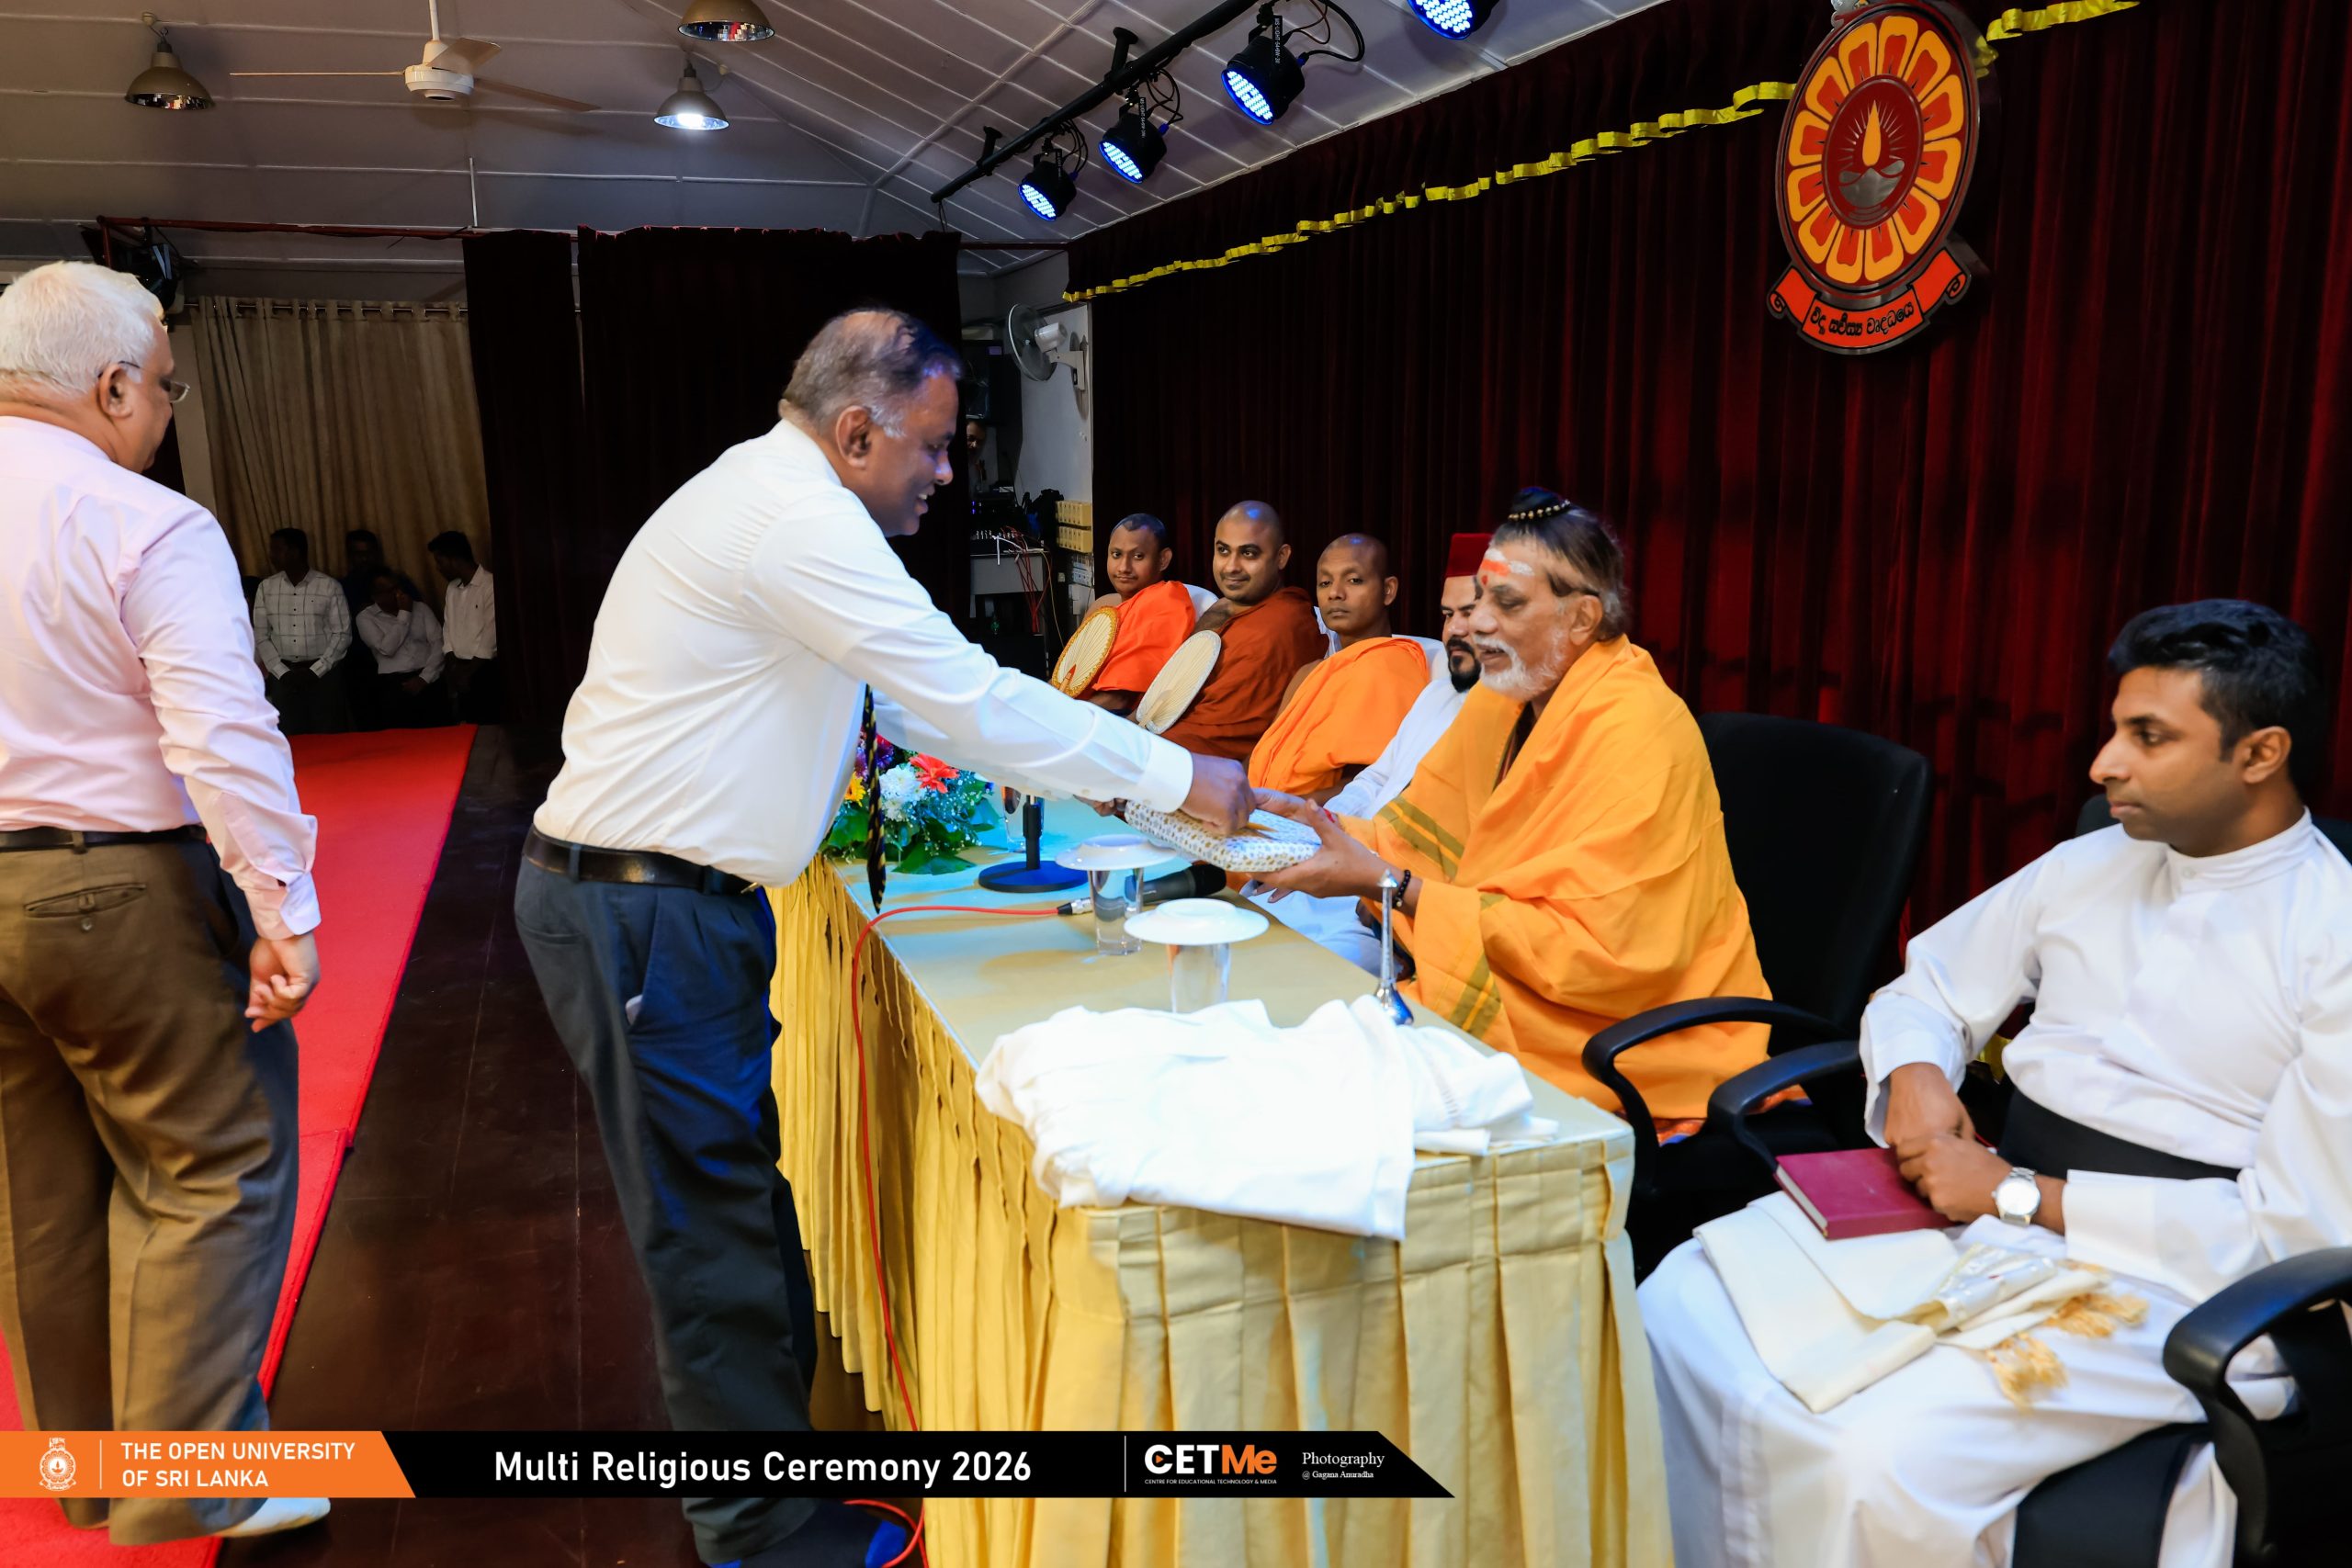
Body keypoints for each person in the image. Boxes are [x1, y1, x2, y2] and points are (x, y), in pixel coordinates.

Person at [514, 309, 1254, 1568]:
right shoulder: (794, 519)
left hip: (665, 909)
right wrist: (1177, 775)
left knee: (735, 1206)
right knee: (707, 1232)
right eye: (933, 443)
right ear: (855, 431)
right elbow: (962, 694)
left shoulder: (784, 500)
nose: (948, 472)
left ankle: (776, 1492)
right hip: (644, 914)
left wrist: (1139, 777)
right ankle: (756, 1533)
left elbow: (923, 707)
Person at [1640, 599, 2352, 1568]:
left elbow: (2300, 1230)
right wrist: (1917, 1077)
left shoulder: (2331, 937)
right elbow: (1927, 987)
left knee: (1866, 1455)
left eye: (2148, 737)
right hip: (1982, 1204)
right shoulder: (2088, 864)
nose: (2103, 765)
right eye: (2114, 728)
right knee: (1675, 1304)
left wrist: (2023, 1196)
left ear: (2260, 753)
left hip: (2175, 1273)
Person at [0, 260, 326, 1542]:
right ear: (112, 385)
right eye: (166, 387)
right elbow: (221, 729)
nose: (164, 412)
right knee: (211, 1160)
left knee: (37, 1189)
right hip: (111, 881)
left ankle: (86, 1467)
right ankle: (191, 1475)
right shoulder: (141, 518)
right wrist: (280, 906)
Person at [1253, 490, 1769, 1120]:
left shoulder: (1638, 729)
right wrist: (1299, 827)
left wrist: (1389, 883)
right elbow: (1417, 840)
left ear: (1581, 617)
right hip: (1513, 988)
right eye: (1478, 601)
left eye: (1507, 603)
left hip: (1622, 1034)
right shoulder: (1502, 702)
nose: (1475, 625)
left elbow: (1596, 954)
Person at [1250, 534, 1487, 969]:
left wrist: (1372, 875)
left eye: (1470, 613)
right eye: (1448, 614)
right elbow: (1374, 780)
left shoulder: (1521, 721)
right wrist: (1318, 829)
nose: (1454, 629)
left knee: (1289, 971)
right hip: (1341, 861)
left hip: (1389, 897)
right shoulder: (1438, 695)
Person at [1247, 534, 1429, 801]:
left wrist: (1285, 807)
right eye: (1325, 582)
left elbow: (1375, 783)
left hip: (1311, 817)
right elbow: (1266, 755)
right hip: (1259, 808)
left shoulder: (1390, 667)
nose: (1335, 593)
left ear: (1388, 590)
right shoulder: (1310, 672)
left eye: (1354, 580)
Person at [1153, 501, 1327, 759]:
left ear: (1281, 557)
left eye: (1249, 553)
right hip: (1161, 732)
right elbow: (1170, 689)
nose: (1231, 566)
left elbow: (1217, 734)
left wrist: (1139, 750)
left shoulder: (1279, 627)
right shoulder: (1226, 605)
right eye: (1223, 550)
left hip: (1201, 764)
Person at [1075, 513, 1210, 714]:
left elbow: (1119, 699)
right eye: (1116, 554)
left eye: (1138, 556)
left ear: (1163, 560)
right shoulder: (1102, 606)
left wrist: (1065, 716)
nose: (1124, 567)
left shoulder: (1165, 603)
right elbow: (1070, 676)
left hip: (1113, 721)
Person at [251, 526, 353, 735]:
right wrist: (281, 672)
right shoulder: (266, 588)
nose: (271, 556)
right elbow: (261, 635)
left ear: (295, 552)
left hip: (324, 676)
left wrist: (316, 671)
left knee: (329, 736)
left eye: (277, 550)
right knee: (291, 738)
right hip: (283, 677)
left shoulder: (328, 586)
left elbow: (342, 634)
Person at [355, 571, 447, 728]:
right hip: (395, 685)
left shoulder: (421, 608)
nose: (399, 593)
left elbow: (438, 643)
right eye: (390, 590)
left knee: (440, 733)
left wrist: (424, 678)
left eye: (398, 587)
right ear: (375, 597)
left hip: (429, 677)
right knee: (403, 736)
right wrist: (405, 613)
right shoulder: (365, 618)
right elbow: (387, 648)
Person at [429, 528, 498, 723]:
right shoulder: (452, 588)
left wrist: (468, 673)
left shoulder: (489, 585)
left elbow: (491, 636)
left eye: (440, 561)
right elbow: (448, 628)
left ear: (454, 559)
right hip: (459, 667)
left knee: (489, 725)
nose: (438, 568)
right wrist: (453, 666)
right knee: (467, 725)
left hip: (484, 670)